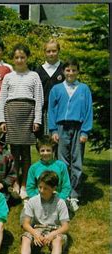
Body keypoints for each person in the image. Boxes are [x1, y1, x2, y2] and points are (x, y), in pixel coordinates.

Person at [0, 43, 44, 200]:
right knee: (13, 152)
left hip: (28, 115)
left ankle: (25, 184)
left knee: (26, 153)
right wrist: (2, 120)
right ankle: (15, 183)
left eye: (22, 57)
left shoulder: (34, 76)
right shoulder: (8, 77)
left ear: (27, 58)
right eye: (16, 57)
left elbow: (39, 99)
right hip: (11, 115)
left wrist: (37, 119)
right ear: (13, 59)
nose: (19, 60)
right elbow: (2, 99)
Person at [48, 58, 92, 211]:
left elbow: (88, 110)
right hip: (61, 126)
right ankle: (63, 193)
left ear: (78, 71)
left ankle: (74, 194)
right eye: (68, 70)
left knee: (77, 161)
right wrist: (53, 130)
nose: (71, 73)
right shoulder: (57, 89)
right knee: (62, 161)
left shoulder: (84, 89)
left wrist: (85, 131)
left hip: (78, 127)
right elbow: (51, 111)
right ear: (63, 71)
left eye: (74, 70)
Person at [20, 171, 69, 254]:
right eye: (40, 187)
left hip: (54, 229)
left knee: (58, 240)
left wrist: (52, 234)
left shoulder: (60, 203)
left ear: (54, 188)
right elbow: (26, 224)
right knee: (26, 237)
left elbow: (66, 226)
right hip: (37, 228)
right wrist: (35, 233)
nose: (41, 191)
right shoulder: (33, 201)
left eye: (45, 188)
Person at [26, 135, 71, 201]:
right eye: (42, 150)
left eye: (48, 150)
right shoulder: (34, 168)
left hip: (57, 198)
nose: (45, 153)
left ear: (53, 151)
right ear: (39, 152)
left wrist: (61, 198)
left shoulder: (61, 166)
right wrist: (36, 199)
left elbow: (66, 186)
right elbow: (30, 188)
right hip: (39, 198)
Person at [35, 39, 65, 136]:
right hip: (44, 109)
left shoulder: (64, 69)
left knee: (59, 138)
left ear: (58, 51)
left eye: (54, 51)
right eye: (48, 51)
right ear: (44, 52)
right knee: (45, 139)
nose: (51, 54)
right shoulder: (38, 71)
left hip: (60, 109)